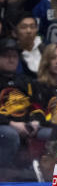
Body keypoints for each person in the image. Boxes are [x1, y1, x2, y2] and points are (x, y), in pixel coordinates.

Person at [0, 36, 43, 167]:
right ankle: (4, 174)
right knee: (10, 134)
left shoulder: (26, 81)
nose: (11, 59)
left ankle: (42, 173)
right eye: (6, 56)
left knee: (50, 133)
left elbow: (37, 105)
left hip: (26, 124)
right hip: (4, 125)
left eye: (14, 56)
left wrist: (35, 121)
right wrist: (12, 123)